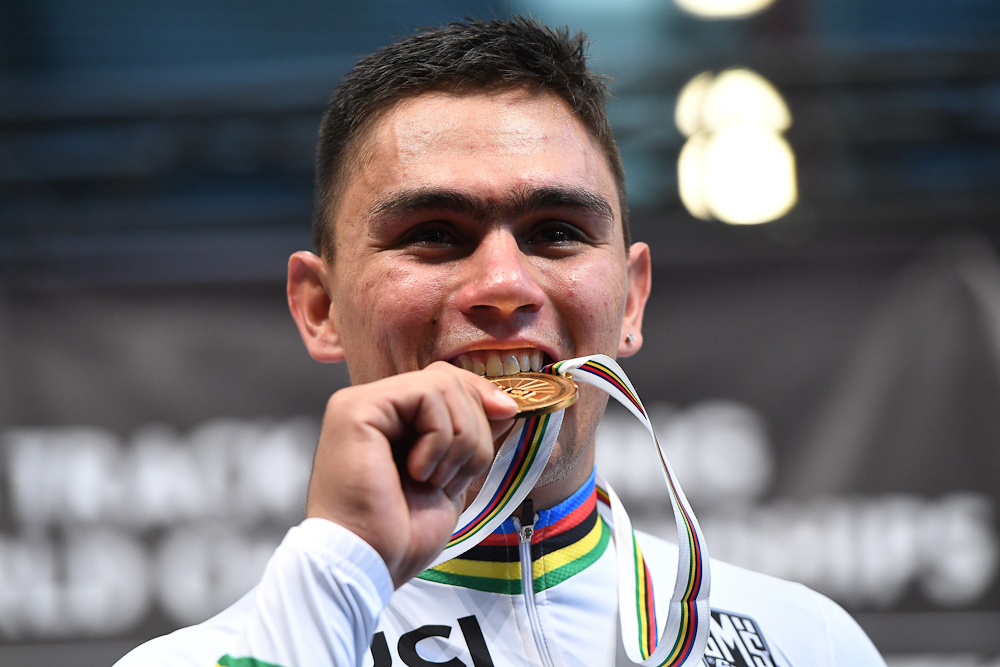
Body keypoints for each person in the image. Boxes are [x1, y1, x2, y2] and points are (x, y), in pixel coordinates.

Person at [117, 17, 885, 667]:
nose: (505, 284)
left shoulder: (805, 641)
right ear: (319, 307)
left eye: (556, 233)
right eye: (432, 236)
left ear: (631, 298)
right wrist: (334, 570)